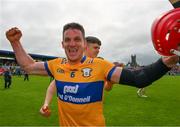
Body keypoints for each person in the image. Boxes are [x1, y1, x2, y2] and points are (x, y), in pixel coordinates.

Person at [5, 23, 179, 126]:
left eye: (77, 39)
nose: (72, 44)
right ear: (62, 44)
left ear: (83, 43)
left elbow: (139, 78)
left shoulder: (100, 65)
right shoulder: (56, 65)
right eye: (67, 40)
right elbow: (28, 66)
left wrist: (166, 61)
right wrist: (15, 42)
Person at [39, 36, 112, 117]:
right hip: (70, 118)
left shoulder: (100, 65)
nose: (98, 50)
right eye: (95, 48)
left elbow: (107, 88)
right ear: (85, 47)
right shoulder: (70, 64)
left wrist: (110, 82)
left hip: (93, 117)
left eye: (99, 48)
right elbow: (53, 86)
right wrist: (46, 104)